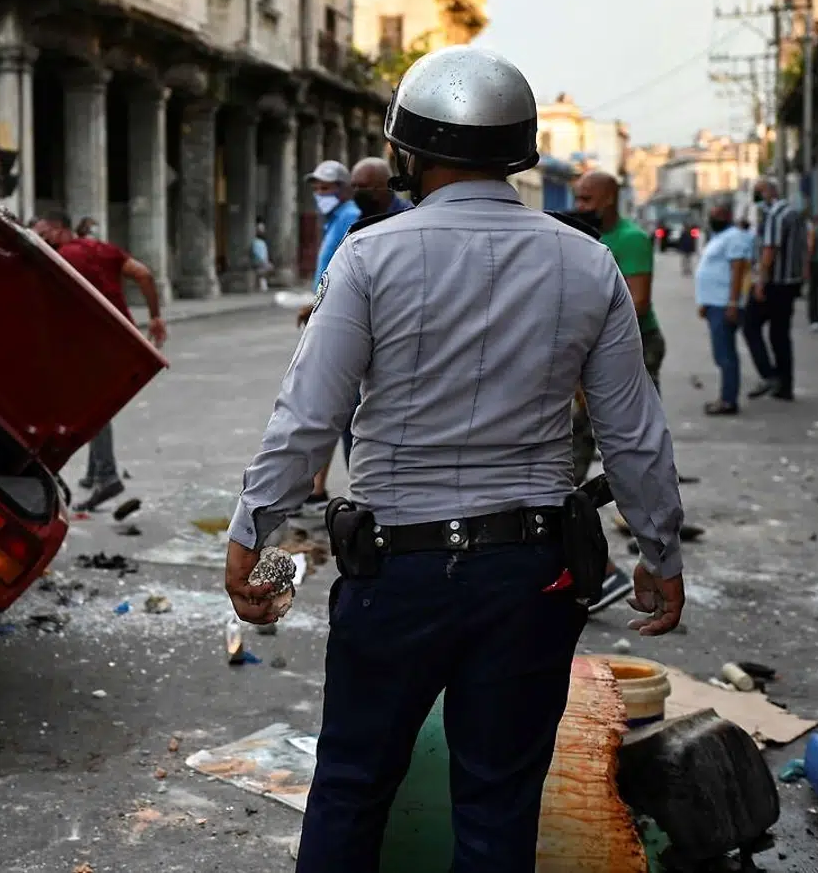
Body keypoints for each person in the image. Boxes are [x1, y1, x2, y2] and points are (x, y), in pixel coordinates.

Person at [224, 46, 685, 873]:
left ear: (407, 151)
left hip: (397, 576)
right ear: (518, 152)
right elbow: (633, 432)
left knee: (352, 787)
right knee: (498, 804)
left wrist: (251, 535)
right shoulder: (588, 263)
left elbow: (307, 419)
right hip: (532, 578)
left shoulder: (368, 258)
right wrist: (659, 551)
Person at [570, 170, 666, 614]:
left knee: (626, 445)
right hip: (587, 349)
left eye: (588, 198)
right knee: (570, 455)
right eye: (577, 197)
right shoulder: (578, 235)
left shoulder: (630, 239)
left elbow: (636, 303)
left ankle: (650, 557)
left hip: (629, 346)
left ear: (610, 199)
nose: (580, 204)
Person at [31, 211, 168, 509]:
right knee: (95, 403)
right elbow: (143, 274)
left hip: (93, 344)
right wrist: (155, 316)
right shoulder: (101, 249)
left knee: (93, 408)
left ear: (57, 230)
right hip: (122, 340)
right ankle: (95, 474)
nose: (40, 238)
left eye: (42, 232)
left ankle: (107, 476)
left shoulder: (58, 259)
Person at [294, 160, 361, 508]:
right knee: (330, 408)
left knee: (330, 408)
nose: (321, 194)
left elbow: (340, 274)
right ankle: (316, 489)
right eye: (317, 188)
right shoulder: (334, 218)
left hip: (336, 321)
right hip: (326, 315)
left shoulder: (348, 216)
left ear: (343, 188)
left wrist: (316, 306)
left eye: (327, 188)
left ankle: (328, 490)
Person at [743, 180, 806, 400]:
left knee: (750, 325)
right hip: (789, 282)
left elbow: (770, 249)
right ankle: (785, 385)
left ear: (768, 193)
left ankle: (769, 375)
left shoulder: (774, 215)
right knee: (780, 334)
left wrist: (760, 281)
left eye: (757, 193)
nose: (756, 198)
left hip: (773, 283)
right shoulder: (794, 213)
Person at [695, 205, 754, 416]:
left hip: (724, 304)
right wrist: (704, 302)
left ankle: (728, 400)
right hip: (714, 303)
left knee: (725, 354)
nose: (713, 218)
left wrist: (732, 302)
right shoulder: (719, 237)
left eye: (718, 214)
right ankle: (727, 397)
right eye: (712, 215)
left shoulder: (734, 237)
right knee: (722, 353)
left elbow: (737, 269)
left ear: (728, 217)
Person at [348, 156, 414, 217]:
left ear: (384, 186)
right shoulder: (358, 217)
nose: (356, 191)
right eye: (353, 186)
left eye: (362, 186)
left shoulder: (408, 214)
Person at [250, 220, 273, 291]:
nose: (262, 231)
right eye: (260, 230)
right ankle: (262, 285)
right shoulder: (256, 242)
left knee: (265, 270)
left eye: (263, 229)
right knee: (263, 271)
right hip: (259, 261)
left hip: (263, 261)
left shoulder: (262, 242)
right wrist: (263, 261)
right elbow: (256, 253)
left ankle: (262, 285)